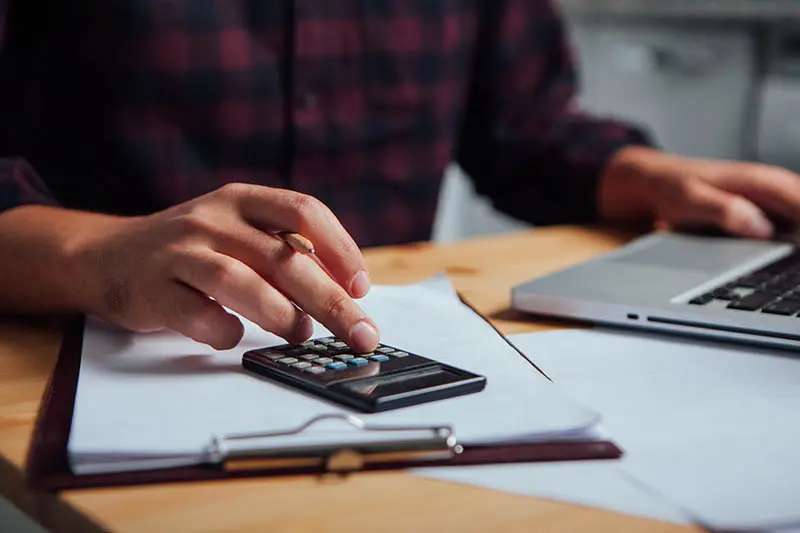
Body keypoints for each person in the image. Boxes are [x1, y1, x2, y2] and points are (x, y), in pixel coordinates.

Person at [0, 1, 798, 354]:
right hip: (80, 350)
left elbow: (523, 126)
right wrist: (99, 255)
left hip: (384, 366)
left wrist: (653, 177)